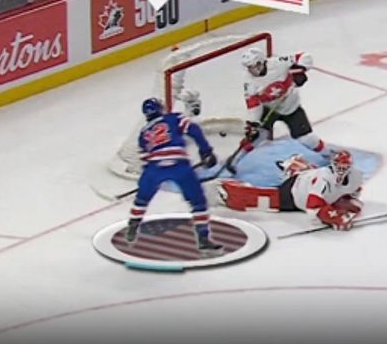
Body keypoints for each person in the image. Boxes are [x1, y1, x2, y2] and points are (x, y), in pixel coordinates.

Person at [128, 98, 222, 254]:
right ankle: (203, 238)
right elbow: (194, 129)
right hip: (179, 165)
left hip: (154, 167)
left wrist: (153, 175)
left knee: (142, 199)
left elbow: (144, 158)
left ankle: (133, 225)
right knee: (197, 201)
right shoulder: (173, 118)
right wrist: (205, 151)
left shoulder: (143, 132)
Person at [218, 150, 362, 231]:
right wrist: (334, 217)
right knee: (266, 200)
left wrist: (345, 205)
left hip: (307, 179)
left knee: (308, 174)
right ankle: (224, 191)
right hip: (295, 193)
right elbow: (312, 210)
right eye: (338, 166)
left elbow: (352, 195)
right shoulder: (324, 180)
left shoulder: (356, 176)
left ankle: (295, 165)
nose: (341, 170)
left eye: (344, 167)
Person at [238, 47, 329, 159]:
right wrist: (253, 123)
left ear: (261, 62)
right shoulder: (249, 81)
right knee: (257, 136)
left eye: (252, 66)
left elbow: (304, 56)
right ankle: (236, 160)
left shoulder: (278, 63)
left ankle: (329, 154)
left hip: (291, 107)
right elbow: (253, 103)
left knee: (306, 138)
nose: (251, 70)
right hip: (269, 109)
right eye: (249, 67)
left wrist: (299, 70)